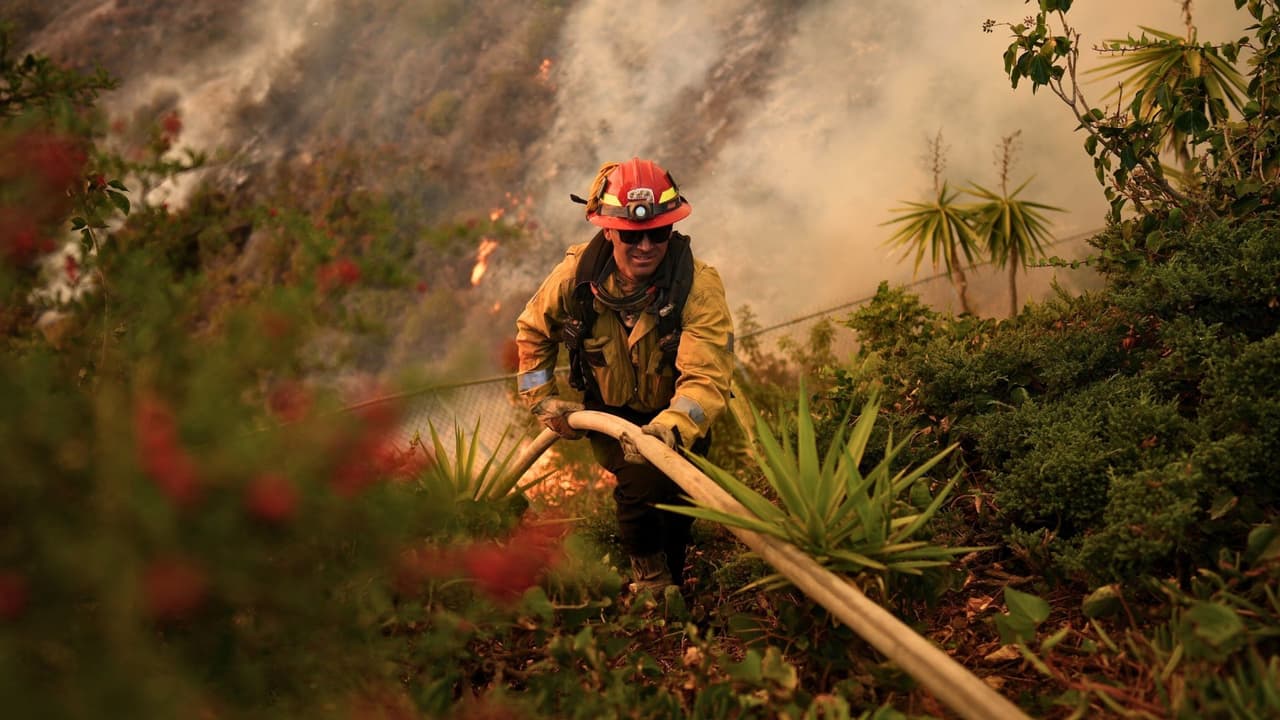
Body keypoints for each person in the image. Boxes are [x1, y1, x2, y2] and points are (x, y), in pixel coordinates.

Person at [514, 157, 734, 594]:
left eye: (658, 233)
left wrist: (672, 428)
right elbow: (532, 331)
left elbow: (706, 377)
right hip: (609, 415)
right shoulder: (575, 278)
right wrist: (541, 400)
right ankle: (651, 586)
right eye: (634, 235)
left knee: (677, 506)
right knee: (639, 488)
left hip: (677, 423)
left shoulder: (697, 286)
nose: (646, 246)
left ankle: (673, 580)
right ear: (609, 230)